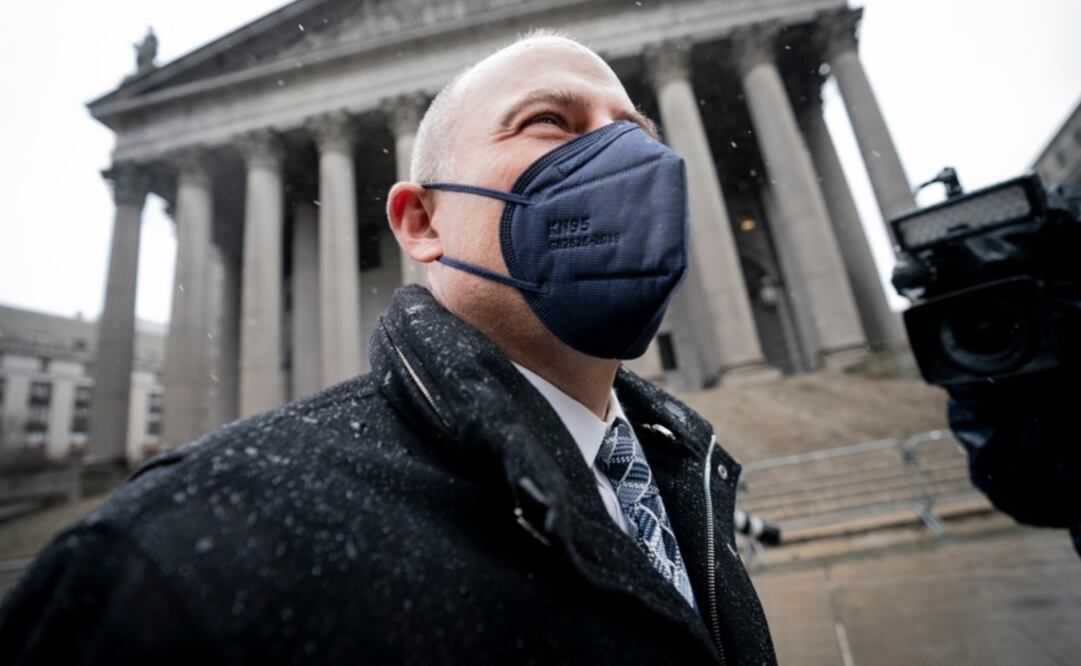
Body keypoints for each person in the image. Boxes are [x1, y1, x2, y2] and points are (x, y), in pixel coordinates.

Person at [0, 32, 776, 664]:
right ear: (421, 223)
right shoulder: (178, 559)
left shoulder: (682, 477)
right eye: (549, 120)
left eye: (635, 132)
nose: (619, 155)